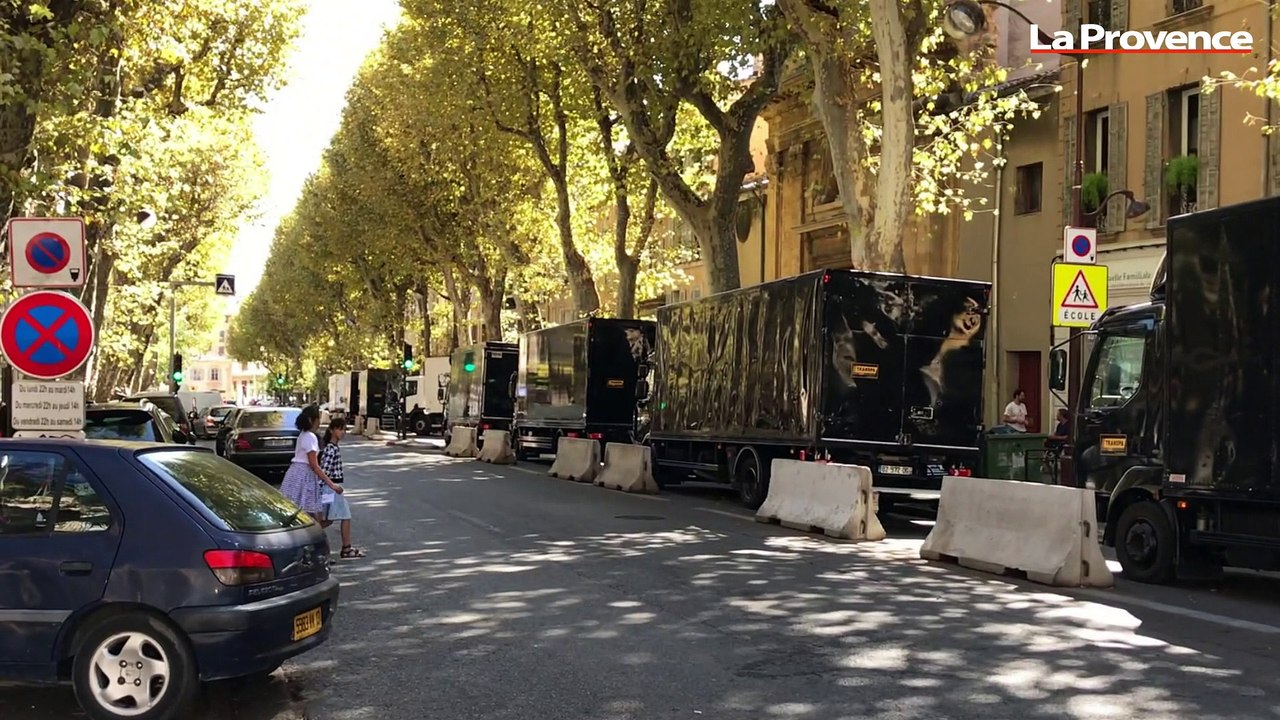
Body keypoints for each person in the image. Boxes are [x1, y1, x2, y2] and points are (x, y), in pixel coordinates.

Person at [280, 405, 344, 521]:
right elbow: (314, 465)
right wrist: (332, 484)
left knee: (298, 513)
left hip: (296, 473)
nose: (319, 422)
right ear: (312, 420)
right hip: (303, 476)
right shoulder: (310, 437)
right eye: (318, 418)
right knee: (309, 516)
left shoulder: (303, 434)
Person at [319, 417, 365, 558]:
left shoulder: (333, 447)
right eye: (339, 429)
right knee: (343, 516)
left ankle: (312, 541)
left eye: (344, 429)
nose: (343, 432)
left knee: (327, 519)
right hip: (330, 488)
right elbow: (324, 470)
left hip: (331, 487)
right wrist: (330, 487)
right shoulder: (330, 449)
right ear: (331, 430)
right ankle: (345, 548)